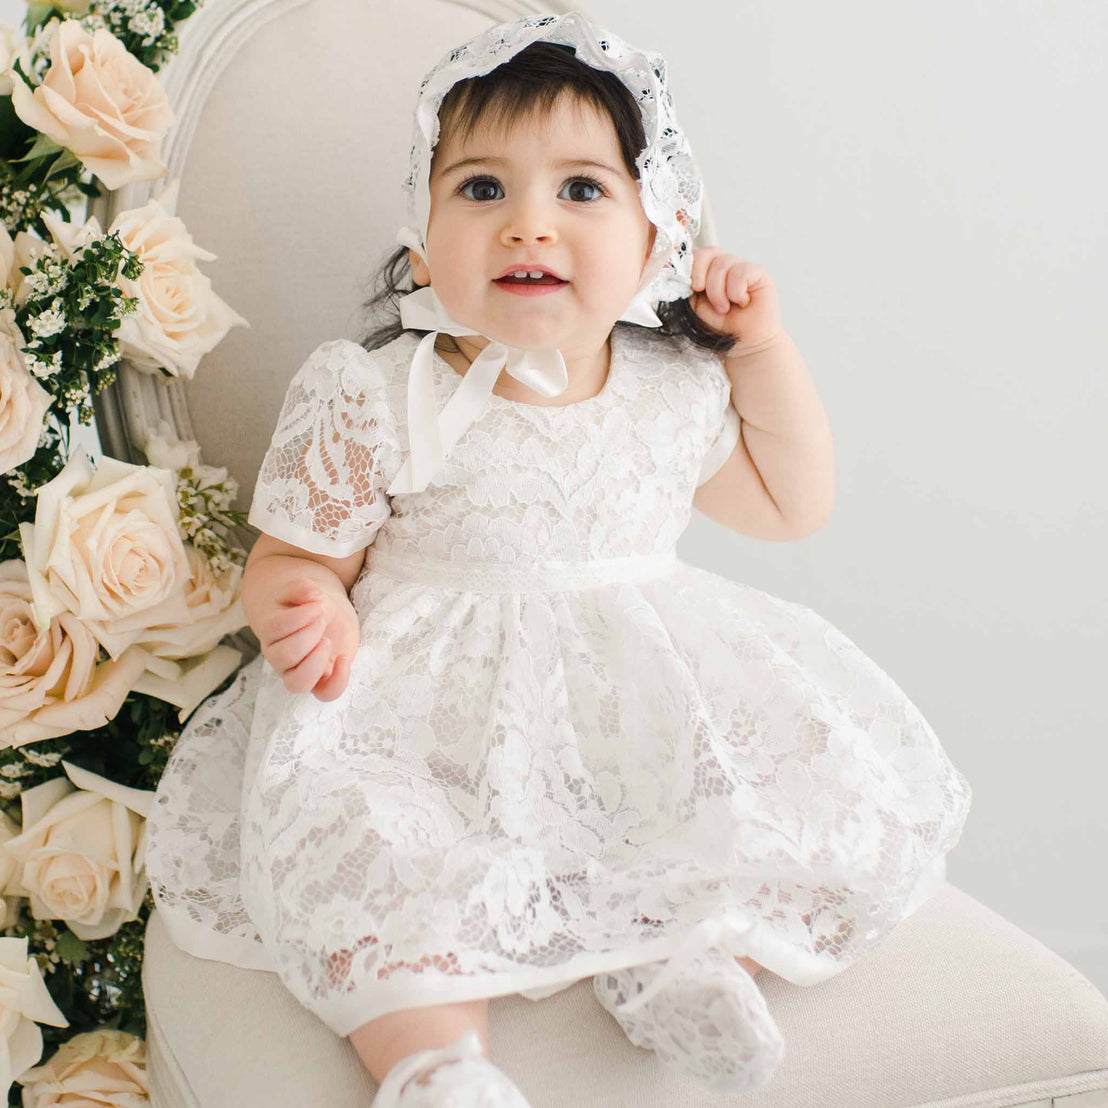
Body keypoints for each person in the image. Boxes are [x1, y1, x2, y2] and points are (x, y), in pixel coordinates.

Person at [145, 11, 973, 1106]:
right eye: (481, 189)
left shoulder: (673, 390)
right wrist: (305, 608)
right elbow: (294, 553)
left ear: (656, 232)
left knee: (725, 809)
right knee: (388, 867)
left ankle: (687, 961)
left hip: (628, 699)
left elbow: (789, 503)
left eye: (581, 190)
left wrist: (760, 352)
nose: (527, 225)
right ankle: (436, 1061)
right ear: (419, 228)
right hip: (423, 723)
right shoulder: (379, 390)